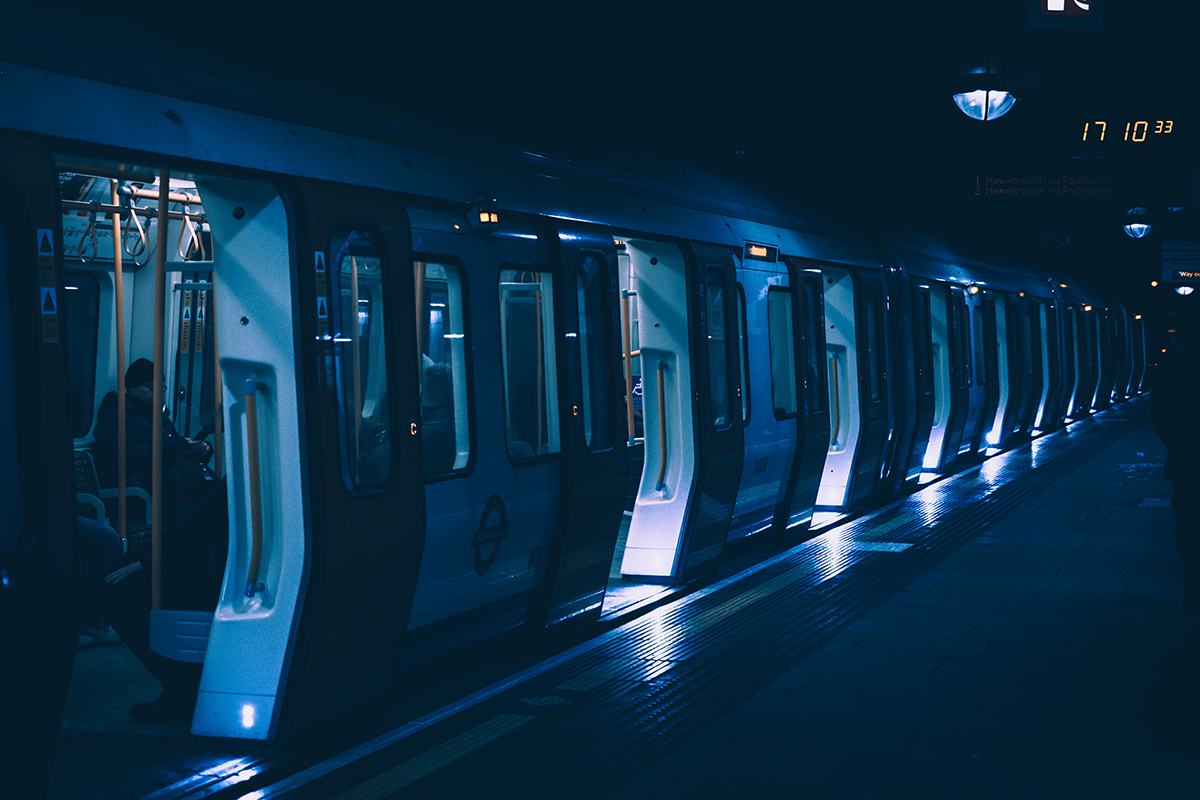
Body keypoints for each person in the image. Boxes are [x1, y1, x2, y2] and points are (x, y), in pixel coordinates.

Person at [94, 358, 215, 526]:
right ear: (131, 388)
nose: (158, 394)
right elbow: (125, 455)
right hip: (146, 494)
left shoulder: (158, 415)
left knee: (224, 504)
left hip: (175, 487)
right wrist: (175, 446)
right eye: (151, 388)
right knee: (204, 516)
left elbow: (173, 448)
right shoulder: (117, 415)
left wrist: (200, 449)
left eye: (162, 388)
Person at [1151, 303, 1200, 614]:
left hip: (1187, 461)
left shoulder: (1174, 363)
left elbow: (1160, 414)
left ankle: (1191, 589)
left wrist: (1181, 444)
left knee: (1188, 526)